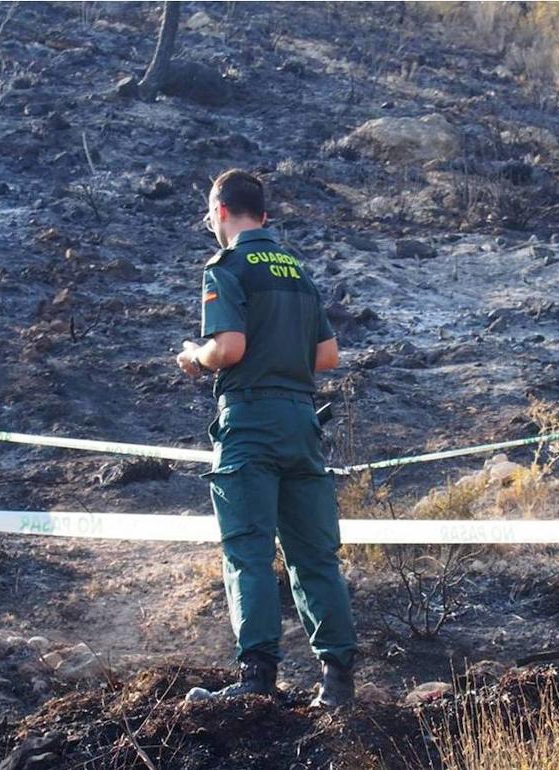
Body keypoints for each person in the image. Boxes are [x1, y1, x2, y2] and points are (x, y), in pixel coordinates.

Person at [175, 169, 358, 708]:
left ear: (220, 211)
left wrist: (195, 357)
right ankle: (338, 683)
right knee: (314, 555)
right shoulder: (298, 272)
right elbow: (327, 357)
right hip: (302, 424)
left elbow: (227, 348)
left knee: (249, 551)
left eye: (210, 214)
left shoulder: (226, 267)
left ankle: (257, 681)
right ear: (265, 215)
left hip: (250, 425)